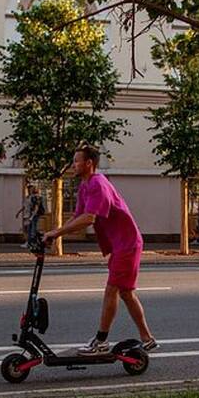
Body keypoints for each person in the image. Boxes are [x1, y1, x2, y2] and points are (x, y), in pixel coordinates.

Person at [43, 144, 157, 355]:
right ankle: (147, 338)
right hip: (120, 244)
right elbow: (77, 216)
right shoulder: (85, 186)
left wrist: (55, 234)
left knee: (112, 289)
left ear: (89, 163)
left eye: (77, 160)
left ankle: (101, 341)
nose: (73, 164)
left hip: (127, 243)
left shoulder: (98, 184)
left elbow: (89, 218)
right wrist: (53, 232)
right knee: (126, 293)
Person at [16, 184, 36, 249]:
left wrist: (32, 215)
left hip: (30, 215)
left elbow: (35, 207)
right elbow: (24, 206)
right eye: (28, 189)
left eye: (31, 189)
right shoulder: (27, 197)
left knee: (30, 230)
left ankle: (30, 243)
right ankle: (27, 242)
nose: (29, 190)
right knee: (25, 230)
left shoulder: (33, 197)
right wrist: (18, 212)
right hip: (25, 215)